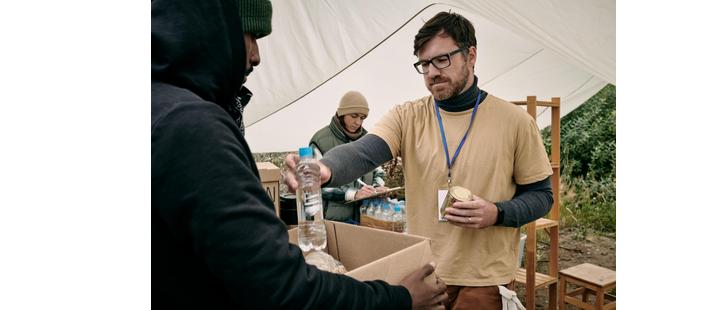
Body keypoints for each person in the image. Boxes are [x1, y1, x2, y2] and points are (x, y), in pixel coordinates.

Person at [151, 0, 447, 308]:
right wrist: (399, 298)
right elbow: (282, 287)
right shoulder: (190, 127)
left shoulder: (159, 107)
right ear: (210, 29)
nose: (256, 55)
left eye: (442, 61)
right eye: (249, 35)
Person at [284, 11, 554, 309]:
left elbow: (542, 196)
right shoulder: (408, 116)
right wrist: (324, 168)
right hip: (423, 274)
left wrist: (497, 213)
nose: (432, 72)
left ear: (471, 55)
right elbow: (365, 151)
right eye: (424, 64)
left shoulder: (514, 122)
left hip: (486, 280)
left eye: (442, 59)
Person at [308, 91, 389, 223]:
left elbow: (378, 171)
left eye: (362, 118)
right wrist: (354, 194)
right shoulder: (320, 140)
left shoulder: (368, 139)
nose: (358, 122)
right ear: (342, 114)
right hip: (334, 222)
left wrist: (376, 188)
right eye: (354, 116)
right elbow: (315, 183)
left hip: (365, 218)